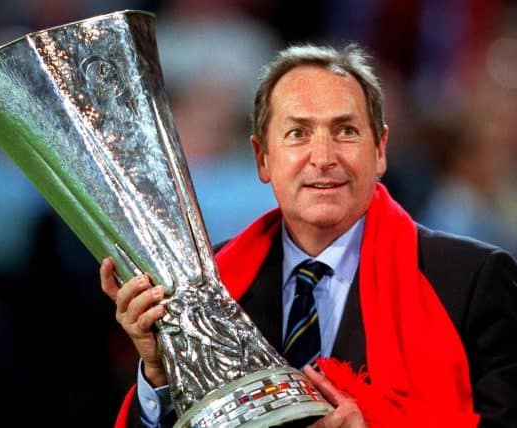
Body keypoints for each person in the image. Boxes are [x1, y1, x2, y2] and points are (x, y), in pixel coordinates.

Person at [99, 43, 517, 427]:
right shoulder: (205, 287)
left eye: (346, 131)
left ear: (381, 150)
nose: (323, 158)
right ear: (262, 158)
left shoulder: (473, 280)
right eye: (298, 133)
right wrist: (158, 377)